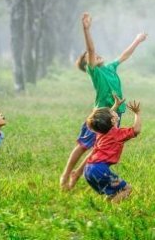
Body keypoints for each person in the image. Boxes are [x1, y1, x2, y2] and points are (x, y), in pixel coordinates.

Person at [60, 12, 147, 190]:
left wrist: (137, 40)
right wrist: (86, 30)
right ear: (88, 64)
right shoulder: (95, 72)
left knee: (100, 146)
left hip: (115, 113)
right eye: (90, 57)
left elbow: (124, 55)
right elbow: (91, 50)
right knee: (84, 145)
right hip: (100, 115)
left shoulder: (110, 68)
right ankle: (66, 174)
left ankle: (78, 173)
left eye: (95, 55)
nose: (95, 55)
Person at [82, 96, 142, 203]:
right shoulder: (117, 134)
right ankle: (112, 211)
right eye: (113, 113)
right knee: (126, 189)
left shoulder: (100, 131)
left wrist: (116, 106)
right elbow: (136, 130)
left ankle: (106, 208)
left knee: (113, 192)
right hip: (99, 169)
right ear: (113, 120)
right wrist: (137, 113)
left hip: (88, 169)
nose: (113, 112)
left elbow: (105, 118)